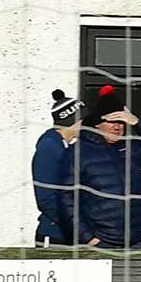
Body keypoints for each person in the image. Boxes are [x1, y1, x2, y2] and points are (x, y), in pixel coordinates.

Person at [58, 85, 141, 249]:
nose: (118, 127)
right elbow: (66, 198)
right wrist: (87, 237)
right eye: (112, 122)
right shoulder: (78, 152)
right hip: (101, 242)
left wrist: (138, 123)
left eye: (121, 122)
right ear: (97, 124)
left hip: (134, 241)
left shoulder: (130, 148)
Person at [32, 89, 83, 245]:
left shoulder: (65, 146)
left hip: (67, 232)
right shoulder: (49, 147)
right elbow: (46, 197)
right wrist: (75, 224)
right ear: (73, 121)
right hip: (54, 234)